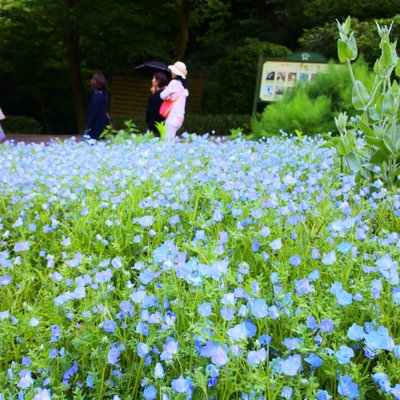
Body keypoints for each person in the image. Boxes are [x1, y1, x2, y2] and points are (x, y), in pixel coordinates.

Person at [160, 61, 189, 139]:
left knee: (166, 143)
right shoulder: (184, 87)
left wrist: (167, 95)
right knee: (170, 141)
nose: (172, 72)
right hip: (180, 119)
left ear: (176, 72)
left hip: (172, 117)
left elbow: (162, 95)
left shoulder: (174, 82)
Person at [84, 72, 110, 140]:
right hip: (102, 125)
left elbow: (93, 112)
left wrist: (88, 127)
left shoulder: (97, 95)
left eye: (93, 79)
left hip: (95, 126)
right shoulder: (104, 94)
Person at [145, 71, 169, 137]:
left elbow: (152, 112)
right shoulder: (164, 93)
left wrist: (149, 126)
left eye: (153, 78)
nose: (152, 80)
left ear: (158, 81)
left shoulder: (157, 95)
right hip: (162, 125)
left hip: (155, 126)